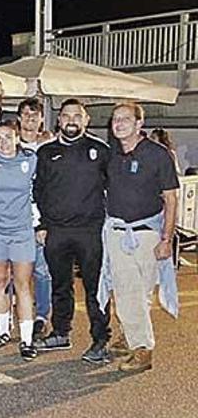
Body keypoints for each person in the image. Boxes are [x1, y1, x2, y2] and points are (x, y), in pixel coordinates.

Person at [33, 99, 111, 364]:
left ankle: (100, 339)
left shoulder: (101, 151)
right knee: (60, 285)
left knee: (94, 288)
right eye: (66, 116)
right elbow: (37, 191)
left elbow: (115, 188)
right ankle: (61, 332)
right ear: (59, 120)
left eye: (77, 116)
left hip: (90, 231)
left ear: (86, 120)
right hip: (56, 231)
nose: (71, 120)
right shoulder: (45, 153)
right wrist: (41, 225)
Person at [103, 102, 179, 373]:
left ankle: (135, 338)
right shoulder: (111, 154)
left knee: (141, 291)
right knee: (126, 290)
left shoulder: (158, 155)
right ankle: (141, 347)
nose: (119, 123)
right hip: (117, 233)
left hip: (148, 234)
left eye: (125, 119)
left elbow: (171, 199)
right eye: (115, 120)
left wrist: (166, 240)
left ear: (139, 125)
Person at [0, 120, 39, 361]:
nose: (4, 142)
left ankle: (27, 339)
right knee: (0, 280)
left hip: (21, 231)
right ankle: (3, 330)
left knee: (23, 284)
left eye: (8, 137)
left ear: (17, 138)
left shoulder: (30, 160)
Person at [17, 97, 54, 339]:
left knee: (42, 271)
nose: (30, 119)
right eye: (26, 114)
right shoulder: (9, 143)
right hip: (14, 219)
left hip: (41, 220)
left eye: (35, 115)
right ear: (19, 118)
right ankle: (9, 315)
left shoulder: (50, 147)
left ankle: (42, 315)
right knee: (12, 272)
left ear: (41, 118)